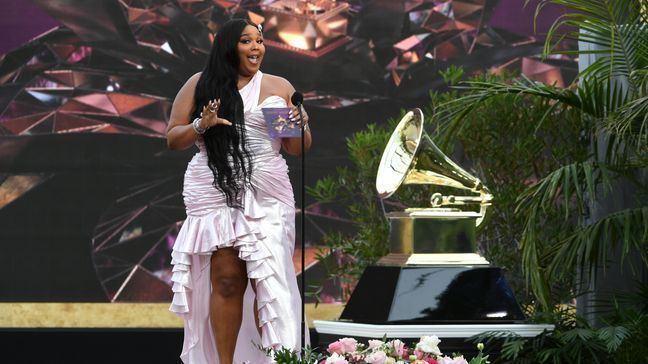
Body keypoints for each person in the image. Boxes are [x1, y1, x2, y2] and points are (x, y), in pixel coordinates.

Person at [166, 18, 312, 364]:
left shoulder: (276, 88)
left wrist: (300, 125)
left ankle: (281, 359)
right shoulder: (201, 84)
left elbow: (296, 149)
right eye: (247, 41)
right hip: (214, 187)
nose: (256, 48)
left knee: (270, 279)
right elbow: (173, 138)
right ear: (229, 46)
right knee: (227, 278)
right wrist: (203, 124)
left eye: (259, 41)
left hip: (267, 192)